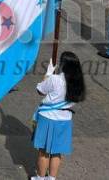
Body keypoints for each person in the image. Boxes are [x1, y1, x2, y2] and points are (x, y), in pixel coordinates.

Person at [31, 51, 86, 180]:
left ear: (63, 65)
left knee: (43, 151)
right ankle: (51, 178)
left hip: (48, 118)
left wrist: (48, 73)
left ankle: (40, 178)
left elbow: (40, 90)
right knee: (56, 152)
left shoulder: (55, 80)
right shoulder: (78, 82)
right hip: (65, 119)